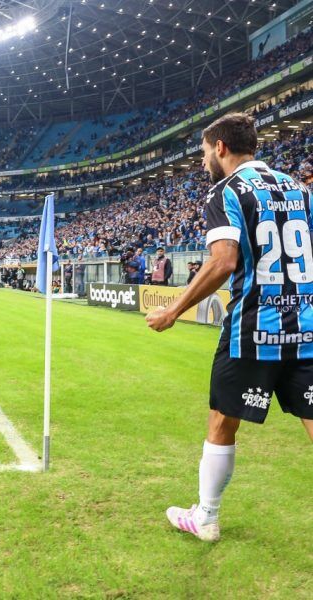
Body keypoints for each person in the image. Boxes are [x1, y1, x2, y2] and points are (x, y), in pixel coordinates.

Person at [146, 112, 313, 542]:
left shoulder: (227, 192)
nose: (204, 162)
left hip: (253, 329)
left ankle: (206, 516)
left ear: (220, 147)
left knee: (222, 420)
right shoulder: (300, 190)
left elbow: (224, 261)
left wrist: (172, 311)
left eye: (204, 153)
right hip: (307, 329)